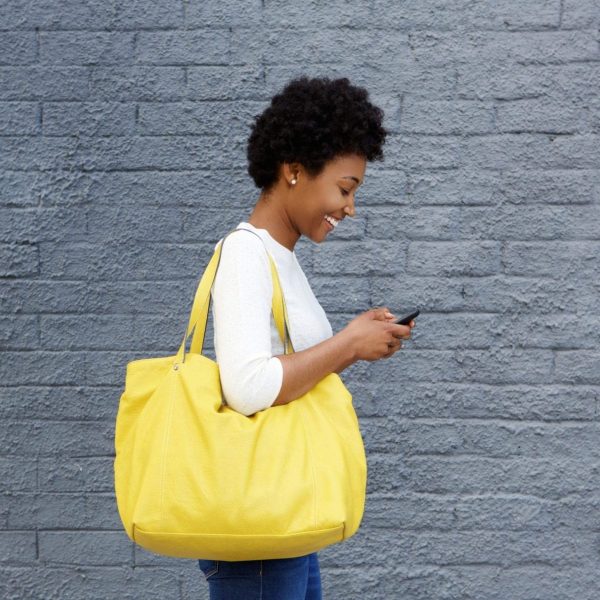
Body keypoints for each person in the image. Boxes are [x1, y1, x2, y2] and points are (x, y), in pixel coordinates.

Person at [197, 75, 415, 600]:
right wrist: (347, 344)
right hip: (258, 524)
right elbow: (247, 388)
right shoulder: (246, 253)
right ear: (294, 171)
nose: (350, 209)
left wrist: (359, 343)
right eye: (345, 188)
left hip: (282, 506)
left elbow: (288, 372)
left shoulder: (281, 258)